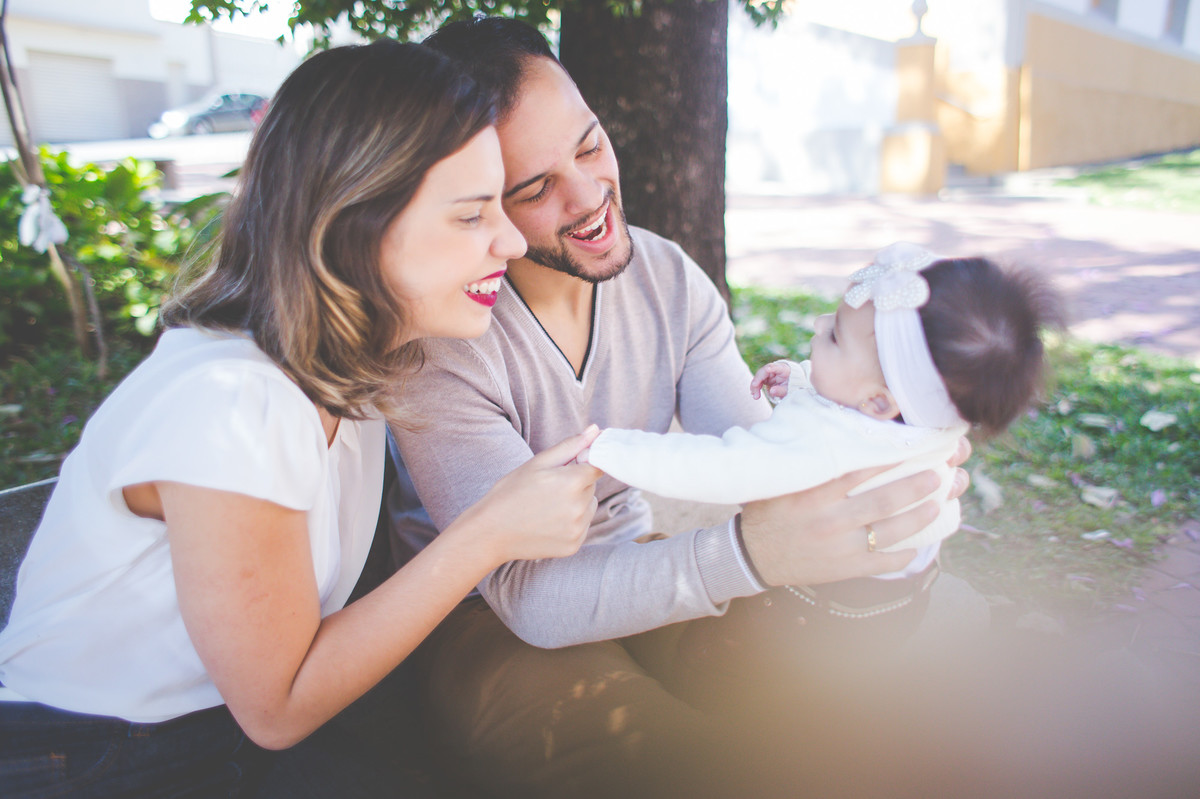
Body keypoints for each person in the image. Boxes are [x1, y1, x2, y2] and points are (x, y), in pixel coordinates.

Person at [382, 17, 972, 798]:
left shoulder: (665, 276)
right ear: (476, 198)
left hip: (637, 564)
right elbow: (530, 598)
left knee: (846, 717)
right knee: (682, 765)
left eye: (589, 145)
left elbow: (761, 460)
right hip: (480, 618)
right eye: (535, 188)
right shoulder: (442, 341)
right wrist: (752, 554)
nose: (591, 197)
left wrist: (880, 462)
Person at [0, 41, 603, 798]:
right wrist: (487, 534)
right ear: (355, 224)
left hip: (208, 734)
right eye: (471, 214)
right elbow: (278, 706)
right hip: (81, 757)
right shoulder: (232, 400)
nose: (510, 241)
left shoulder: (358, 369)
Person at [584, 243, 1059, 660]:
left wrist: (611, 448)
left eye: (834, 336)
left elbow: (719, 467)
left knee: (719, 668)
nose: (819, 325)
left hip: (815, 619)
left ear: (878, 402)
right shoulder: (927, 418)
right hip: (901, 600)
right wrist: (801, 379)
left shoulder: (824, 445)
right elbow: (846, 409)